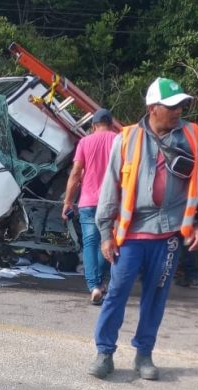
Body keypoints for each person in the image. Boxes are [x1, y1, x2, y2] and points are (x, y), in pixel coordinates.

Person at [88, 77, 198, 380]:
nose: (179, 111)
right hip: (131, 236)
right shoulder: (126, 138)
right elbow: (110, 188)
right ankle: (104, 352)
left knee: (156, 297)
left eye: (182, 105)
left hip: (169, 235)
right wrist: (105, 234)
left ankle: (144, 354)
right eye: (172, 106)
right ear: (153, 107)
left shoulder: (191, 136)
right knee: (116, 293)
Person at [62, 109, 118, 305]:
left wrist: (68, 201)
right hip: (112, 202)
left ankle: (93, 286)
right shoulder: (119, 140)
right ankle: (102, 283)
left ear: (93, 126)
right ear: (111, 124)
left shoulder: (85, 142)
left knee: (90, 243)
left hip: (88, 201)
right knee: (108, 240)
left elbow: (76, 173)